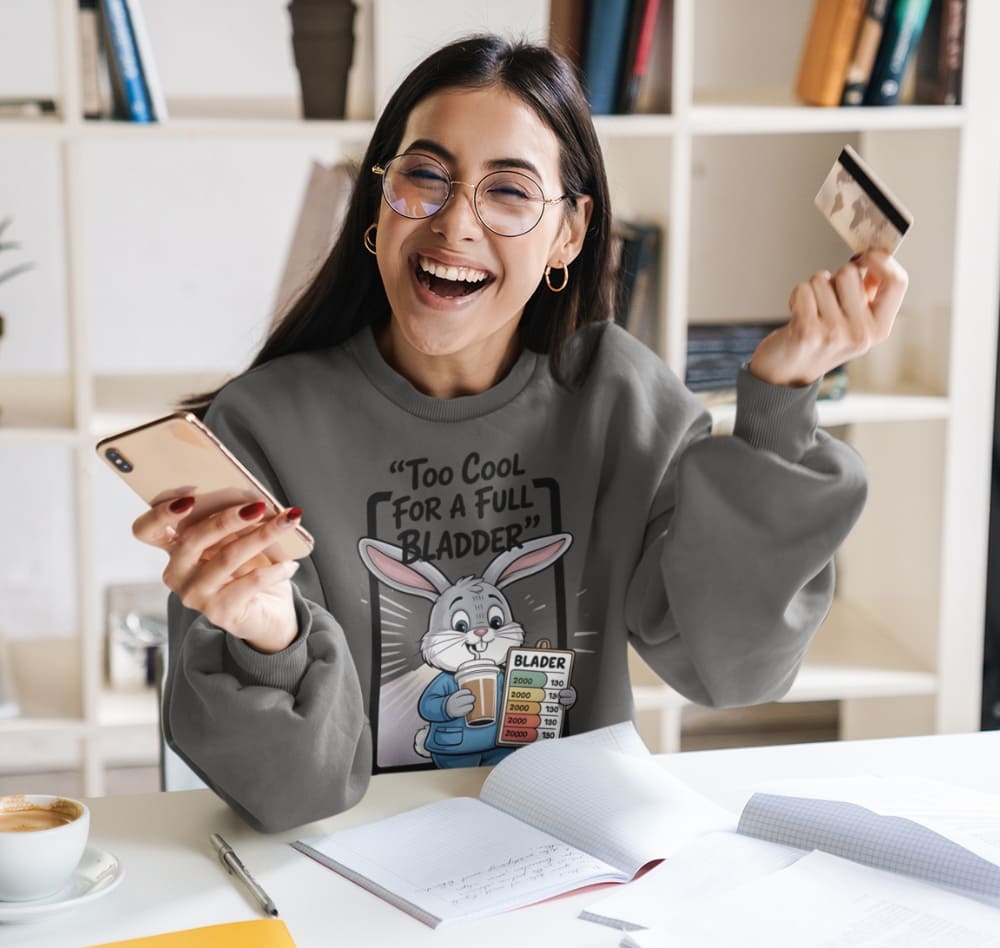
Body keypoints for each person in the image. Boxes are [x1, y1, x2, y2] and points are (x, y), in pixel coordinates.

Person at [133, 35, 906, 833]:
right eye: (424, 177)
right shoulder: (261, 429)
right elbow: (288, 798)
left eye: (508, 192)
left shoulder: (619, 398)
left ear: (570, 232)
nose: (453, 223)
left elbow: (733, 669)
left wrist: (781, 398)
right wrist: (270, 638)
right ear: (378, 201)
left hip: (573, 872)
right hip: (348, 876)